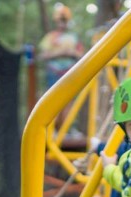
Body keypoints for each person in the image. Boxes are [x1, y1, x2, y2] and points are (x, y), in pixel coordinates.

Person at [38, 3, 84, 134]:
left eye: (65, 20)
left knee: (68, 102)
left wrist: (71, 53)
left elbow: (81, 54)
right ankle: (52, 129)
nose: (62, 23)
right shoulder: (50, 37)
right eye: (60, 20)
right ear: (57, 21)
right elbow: (43, 55)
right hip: (54, 73)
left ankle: (67, 130)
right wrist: (59, 53)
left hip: (70, 73)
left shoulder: (73, 37)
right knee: (53, 101)